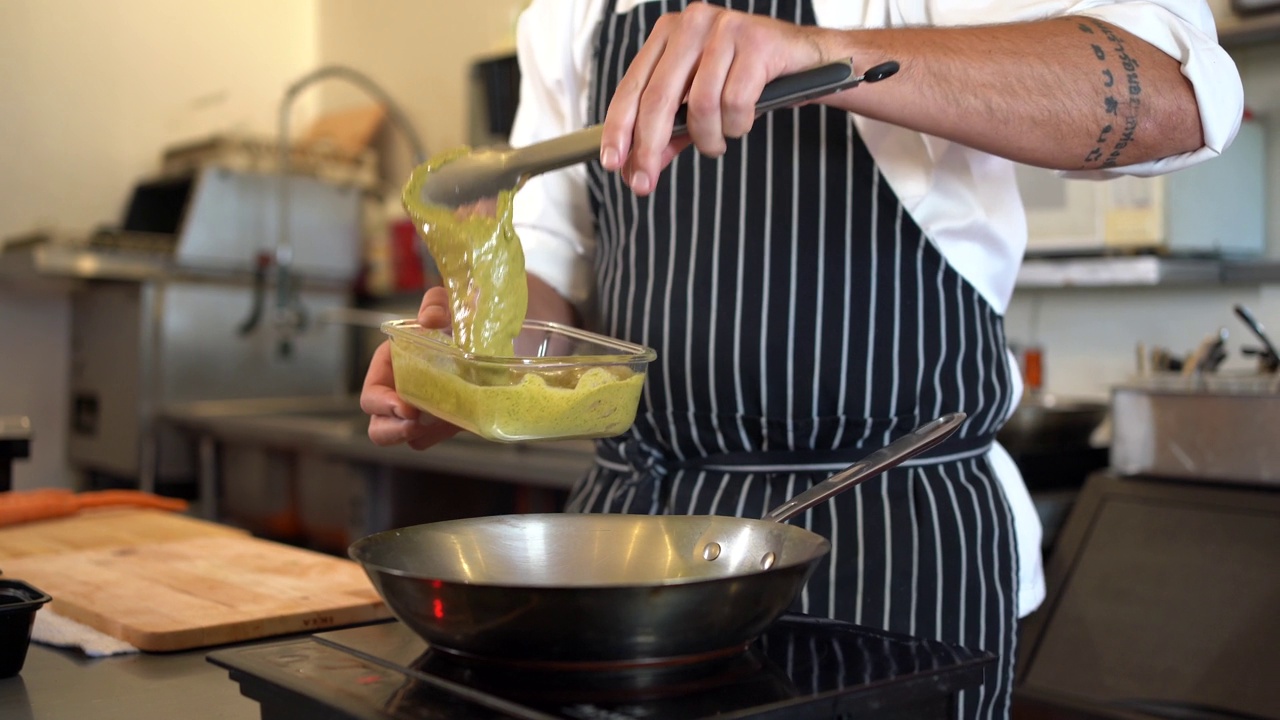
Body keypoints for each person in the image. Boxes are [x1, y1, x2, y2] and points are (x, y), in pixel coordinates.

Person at [362, 1, 1243, 717]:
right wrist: (474, 368)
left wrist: (825, 55)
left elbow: (1180, 98)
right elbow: (552, 276)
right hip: (633, 558)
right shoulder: (571, 15)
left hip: (887, 541)